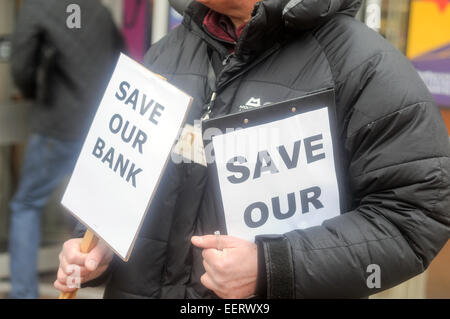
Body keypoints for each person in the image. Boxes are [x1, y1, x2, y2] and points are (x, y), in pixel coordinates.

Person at [55, 0, 450, 299]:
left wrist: (271, 266)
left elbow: (415, 216)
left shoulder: (361, 63)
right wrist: (101, 241)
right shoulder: (167, 53)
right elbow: (132, 177)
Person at [9, 0, 122, 299]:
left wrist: (35, 93)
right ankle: (77, 285)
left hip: (55, 127)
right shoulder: (99, 11)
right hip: (96, 129)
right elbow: (120, 60)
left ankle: (23, 293)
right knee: (85, 215)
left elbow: (21, 65)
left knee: (27, 205)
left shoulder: (38, 9)